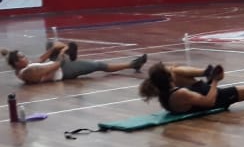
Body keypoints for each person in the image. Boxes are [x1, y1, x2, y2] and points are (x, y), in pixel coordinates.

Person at [3, 41, 147, 84]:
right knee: (98, 65)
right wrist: (62, 52)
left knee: (50, 43)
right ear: (17, 63)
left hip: (54, 65)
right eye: (22, 57)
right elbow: (56, 65)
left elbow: (40, 61)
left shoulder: (20, 68)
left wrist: (53, 48)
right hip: (63, 70)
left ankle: (70, 53)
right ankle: (133, 64)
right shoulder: (28, 73)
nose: (25, 57)